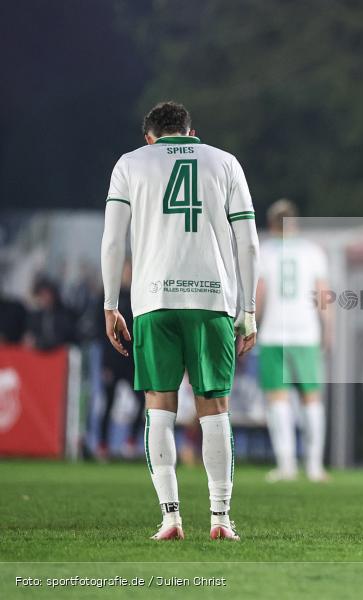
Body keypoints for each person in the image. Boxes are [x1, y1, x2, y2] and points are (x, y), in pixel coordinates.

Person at [100, 101, 259, 542]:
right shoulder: (224, 162)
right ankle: (221, 518)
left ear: (149, 137)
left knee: (160, 405)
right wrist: (247, 311)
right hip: (212, 300)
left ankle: (171, 517)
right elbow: (247, 240)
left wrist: (111, 303)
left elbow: (113, 240)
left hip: (154, 299)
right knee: (214, 407)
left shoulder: (131, 163)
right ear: (192, 133)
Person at [256, 199, 332, 483]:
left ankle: (286, 465)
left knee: (278, 399)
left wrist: (251, 325)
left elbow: (260, 293)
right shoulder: (313, 251)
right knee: (311, 398)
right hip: (306, 332)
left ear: (273, 224)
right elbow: (323, 295)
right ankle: (314, 466)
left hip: (274, 333)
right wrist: (328, 330)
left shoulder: (265, 251)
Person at [96, 259, 142, 459]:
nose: (128, 274)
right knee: (108, 403)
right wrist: (105, 363)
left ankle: (131, 442)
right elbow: (102, 333)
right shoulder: (109, 298)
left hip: (131, 361)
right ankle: (103, 445)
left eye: (131, 270)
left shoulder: (139, 297)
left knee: (142, 400)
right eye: (126, 270)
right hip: (113, 361)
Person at [23, 277, 77, 350]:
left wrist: (39, 342)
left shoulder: (65, 315)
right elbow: (31, 334)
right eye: (41, 295)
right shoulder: (36, 316)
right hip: (39, 356)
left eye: (46, 294)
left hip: (59, 355)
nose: (44, 298)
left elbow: (61, 339)